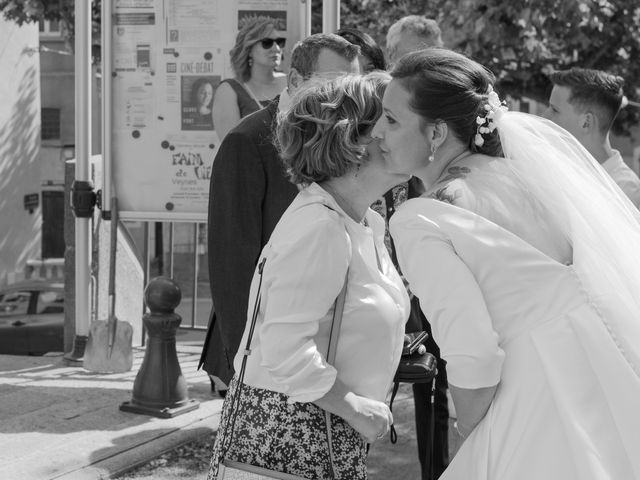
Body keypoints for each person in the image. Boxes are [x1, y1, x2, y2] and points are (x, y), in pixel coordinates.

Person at [372, 48, 640, 479]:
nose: (377, 133)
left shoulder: (420, 219)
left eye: (391, 119)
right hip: (607, 365)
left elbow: (473, 354)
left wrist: (474, 431)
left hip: (533, 395)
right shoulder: (528, 177)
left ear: (437, 132)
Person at [207, 73, 411, 479]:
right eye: (389, 119)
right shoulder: (321, 226)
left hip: (321, 439)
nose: (401, 131)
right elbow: (283, 347)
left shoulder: (363, 220)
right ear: (354, 139)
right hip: (298, 442)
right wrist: (354, 407)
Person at [199, 33, 360, 397]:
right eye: (333, 84)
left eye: (352, 85)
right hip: (261, 353)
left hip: (321, 343)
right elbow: (232, 262)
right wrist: (243, 362)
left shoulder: (341, 134)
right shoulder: (247, 140)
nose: (344, 97)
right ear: (296, 81)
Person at [544, 67, 640, 208]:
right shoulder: (559, 170)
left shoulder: (626, 193)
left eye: (554, 109)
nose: (545, 116)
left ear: (586, 122)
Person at [212, 17, 288, 141]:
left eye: (279, 42)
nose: (276, 48)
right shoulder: (230, 90)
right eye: (267, 43)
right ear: (249, 50)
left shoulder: (290, 82)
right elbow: (230, 148)